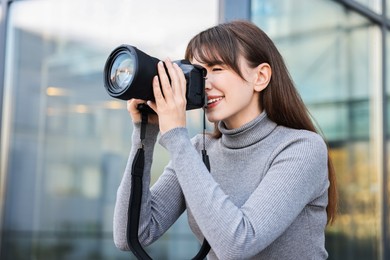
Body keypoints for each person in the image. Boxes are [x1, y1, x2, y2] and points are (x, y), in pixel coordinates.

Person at [113, 20, 337, 260]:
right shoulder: (198, 149)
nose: (204, 84)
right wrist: (145, 132)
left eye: (216, 69)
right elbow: (131, 235)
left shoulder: (301, 148)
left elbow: (238, 243)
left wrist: (176, 135)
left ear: (260, 76)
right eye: (197, 73)